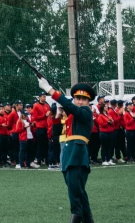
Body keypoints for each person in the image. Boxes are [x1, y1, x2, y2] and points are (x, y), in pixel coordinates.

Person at [39, 79, 96, 223]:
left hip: (77, 155)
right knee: (78, 191)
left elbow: (72, 107)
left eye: (84, 99)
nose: (80, 101)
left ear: (89, 101)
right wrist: (58, 114)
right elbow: (57, 132)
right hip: (69, 156)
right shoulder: (72, 116)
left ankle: (76, 218)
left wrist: (50, 90)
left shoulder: (86, 112)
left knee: (75, 192)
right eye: (78, 98)